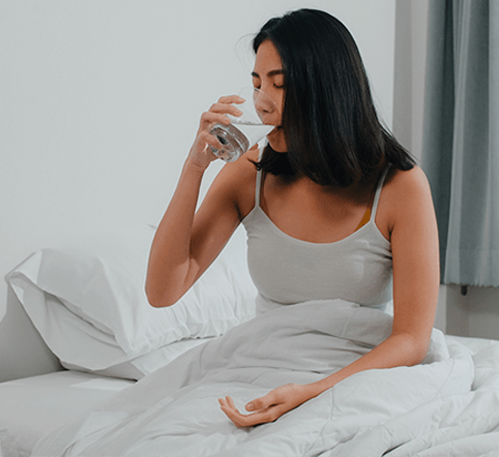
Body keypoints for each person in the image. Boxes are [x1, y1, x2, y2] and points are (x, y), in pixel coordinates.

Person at [145, 8, 439, 428]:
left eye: (279, 85)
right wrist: (193, 168)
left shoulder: (400, 187)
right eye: (256, 83)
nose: (261, 103)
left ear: (328, 92)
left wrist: (312, 393)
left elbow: (411, 339)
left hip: (359, 373)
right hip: (261, 363)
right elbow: (162, 291)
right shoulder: (249, 174)